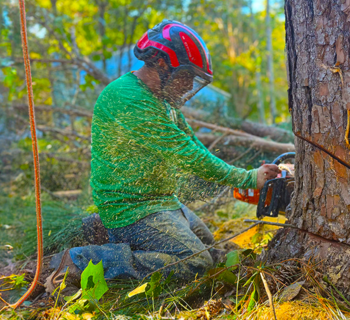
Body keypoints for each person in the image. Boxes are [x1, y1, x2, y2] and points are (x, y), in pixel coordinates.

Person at [45, 20, 281, 292]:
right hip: (132, 209)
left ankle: (107, 237)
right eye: (187, 75)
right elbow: (188, 154)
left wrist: (250, 173)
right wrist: (248, 178)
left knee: (209, 246)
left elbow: (191, 142)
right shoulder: (129, 99)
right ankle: (83, 260)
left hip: (162, 202)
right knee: (196, 263)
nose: (189, 84)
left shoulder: (161, 100)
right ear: (163, 64)